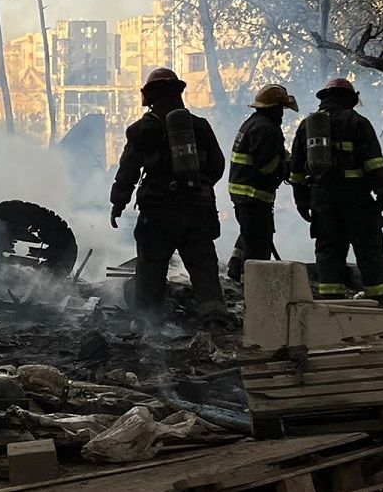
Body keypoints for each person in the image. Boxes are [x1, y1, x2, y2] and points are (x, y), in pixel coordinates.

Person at [110, 68, 228, 325]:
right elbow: (218, 166)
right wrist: (197, 186)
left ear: (150, 95)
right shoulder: (200, 126)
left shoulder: (141, 129)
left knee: (151, 267)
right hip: (198, 210)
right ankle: (215, 318)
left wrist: (118, 203)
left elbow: (128, 170)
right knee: (203, 266)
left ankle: (147, 323)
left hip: (158, 213)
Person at [291, 78, 383, 300]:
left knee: (329, 248)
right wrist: (382, 191)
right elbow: (373, 161)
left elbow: (296, 169)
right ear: (349, 98)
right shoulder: (357, 122)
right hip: (355, 196)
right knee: (368, 246)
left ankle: (331, 298)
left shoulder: (307, 126)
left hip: (322, 198)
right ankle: (380, 298)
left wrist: (301, 200)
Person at [225, 84, 298, 281]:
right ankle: (255, 286)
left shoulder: (254, 123)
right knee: (258, 244)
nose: (282, 114)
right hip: (253, 194)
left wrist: (291, 160)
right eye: (281, 109)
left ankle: (235, 266)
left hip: (245, 193)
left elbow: (275, 152)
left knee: (250, 233)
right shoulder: (265, 128)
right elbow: (266, 165)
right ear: (273, 108)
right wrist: (287, 169)